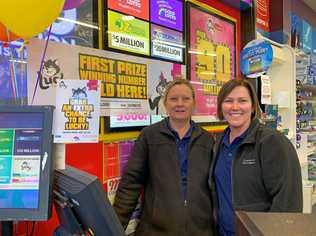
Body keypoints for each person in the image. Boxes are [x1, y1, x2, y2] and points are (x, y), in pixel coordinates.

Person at [114, 79, 216, 236]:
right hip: (155, 231)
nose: (179, 104)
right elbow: (130, 184)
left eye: (186, 98)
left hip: (200, 230)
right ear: (165, 103)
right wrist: (113, 227)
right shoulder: (149, 136)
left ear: (194, 103)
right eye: (173, 99)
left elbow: (215, 188)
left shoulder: (207, 140)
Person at [209, 79, 303, 236]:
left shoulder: (272, 142)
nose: (235, 107)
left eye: (242, 101)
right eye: (228, 101)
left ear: (253, 106)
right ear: (221, 106)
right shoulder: (219, 143)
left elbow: (288, 203)